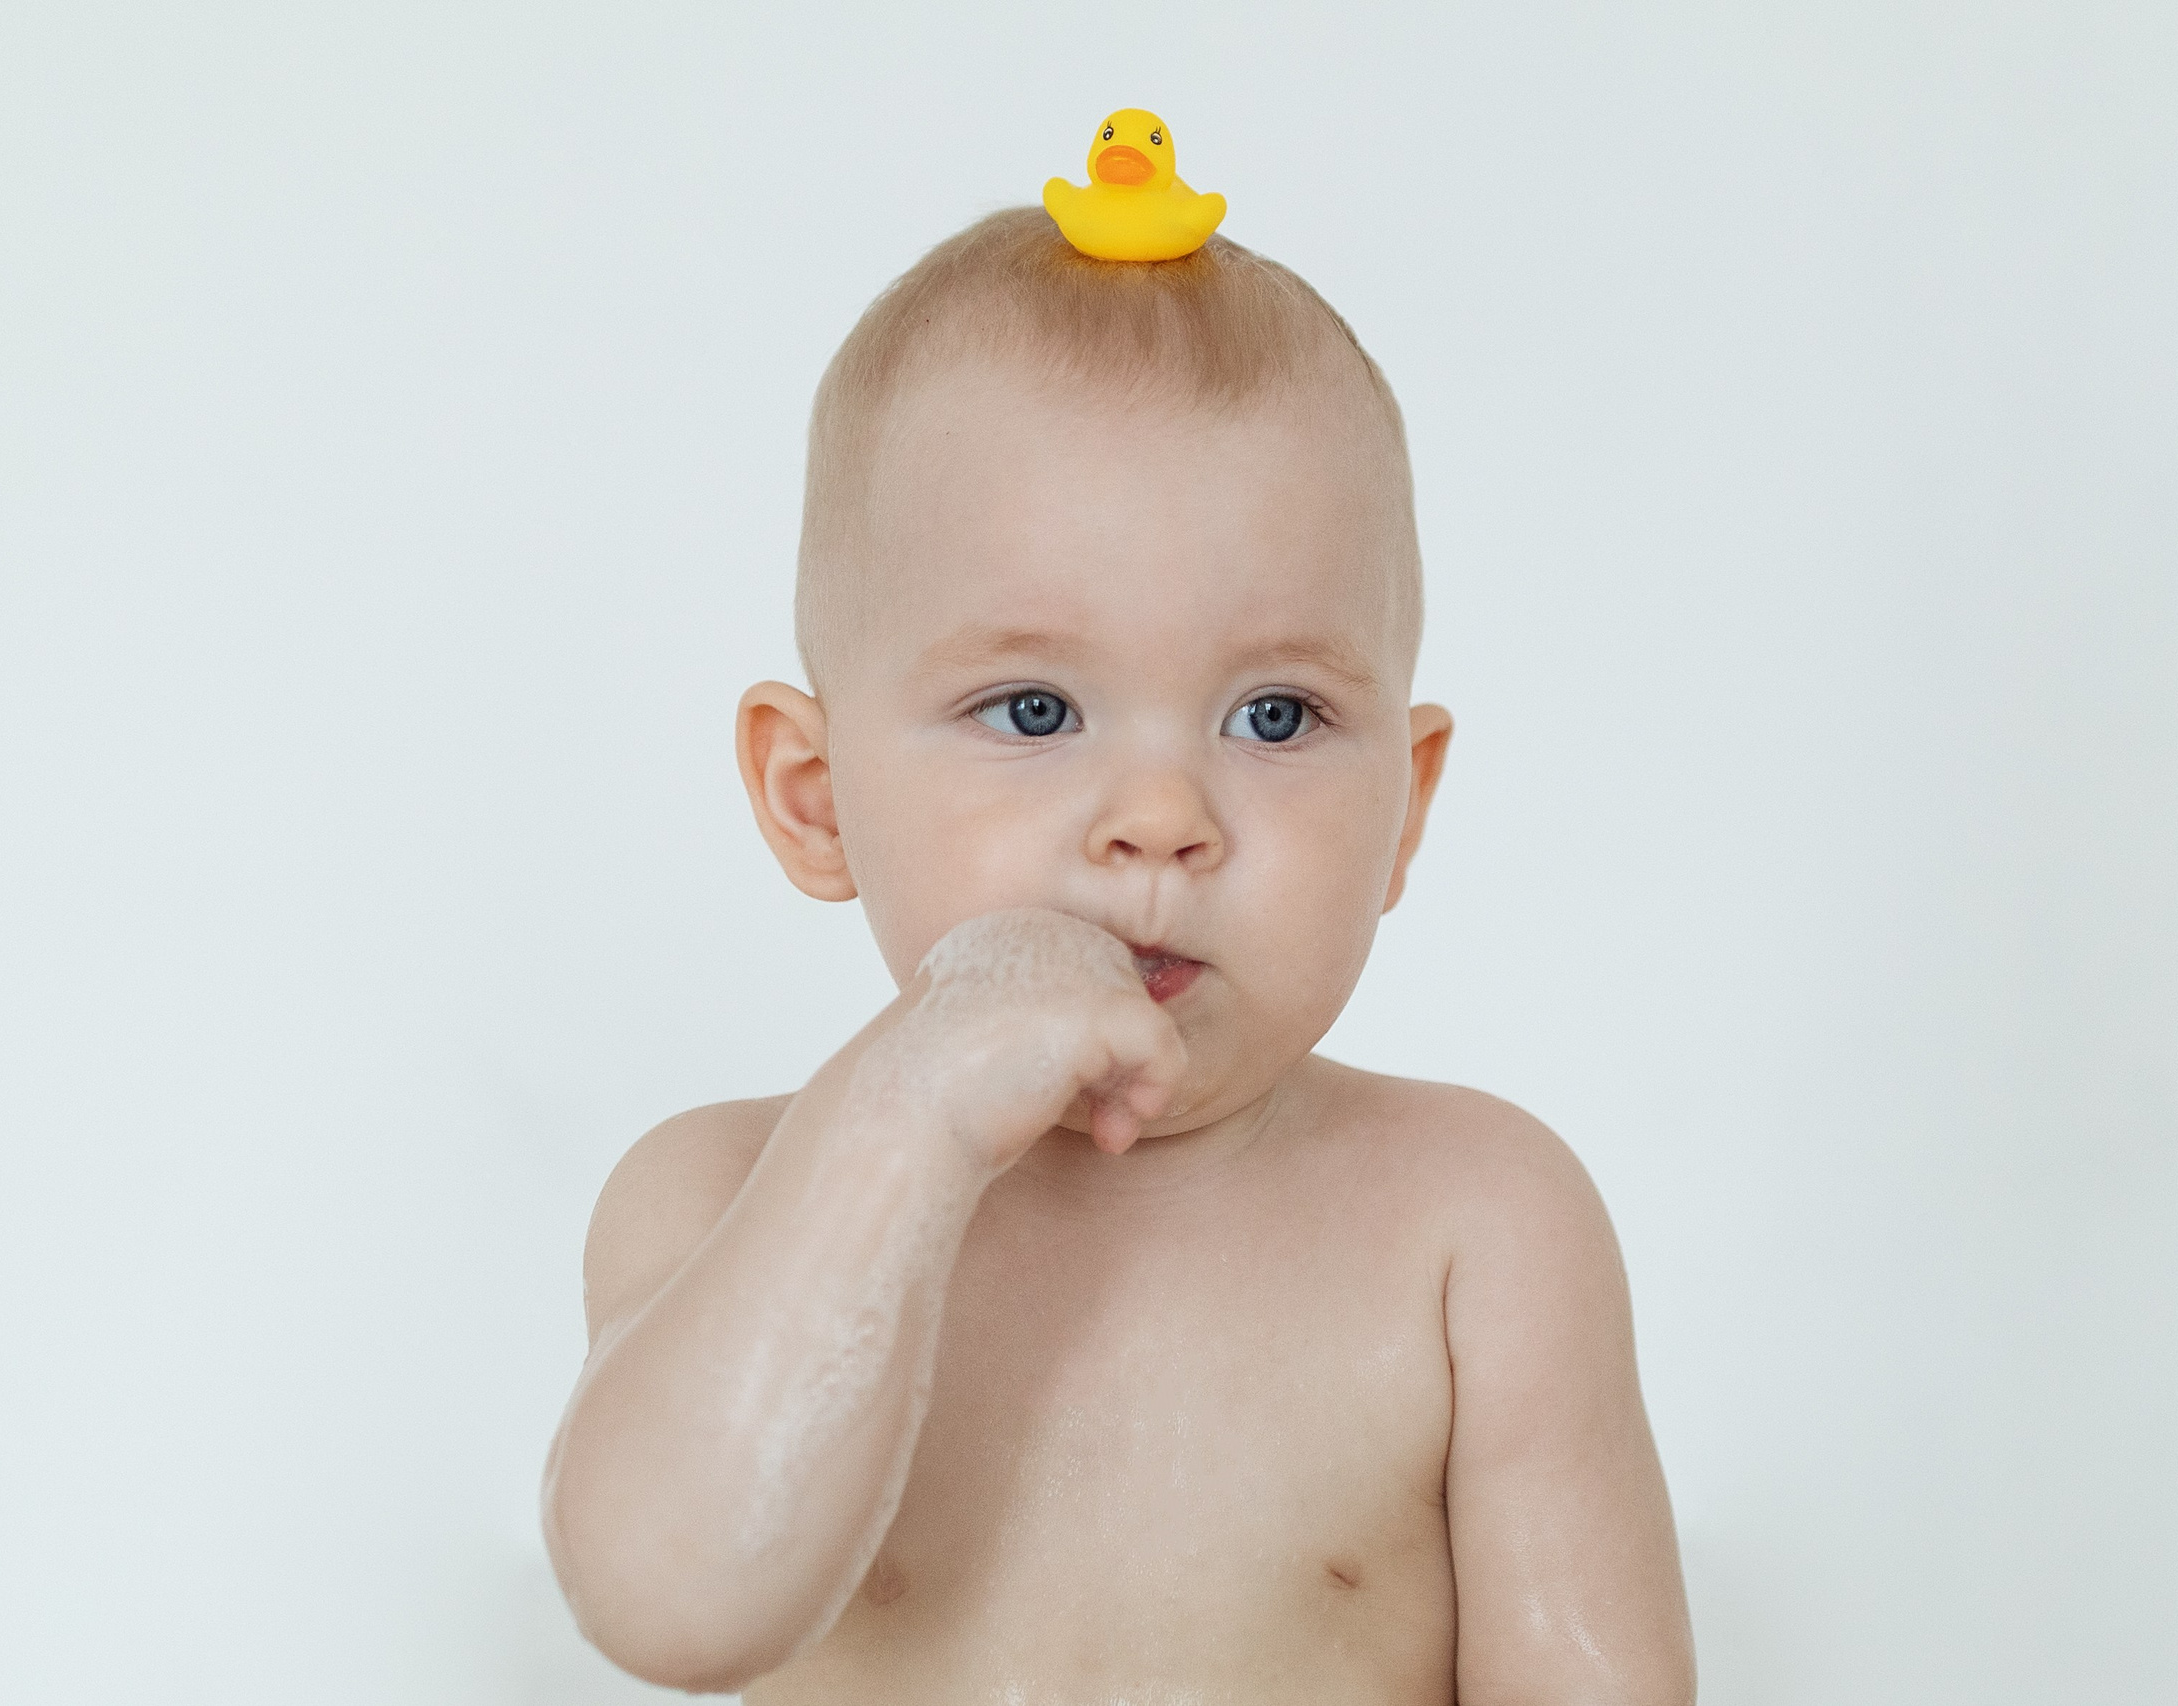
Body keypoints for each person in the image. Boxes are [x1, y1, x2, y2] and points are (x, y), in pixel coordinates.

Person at [540, 205, 1695, 1703]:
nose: (1162, 820)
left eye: (1274, 717)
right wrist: (901, 1124)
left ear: (1405, 810)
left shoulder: (1479, 1229)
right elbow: (668, 1606)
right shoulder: (716, 1197)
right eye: (1034, 711)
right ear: (815, 799)